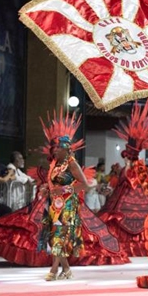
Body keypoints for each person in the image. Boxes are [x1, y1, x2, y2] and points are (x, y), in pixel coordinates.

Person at [38, 111, 96, 281]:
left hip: (68, 205)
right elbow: (54, 184)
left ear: (66, 149)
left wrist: (64, 191)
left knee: (60, 235)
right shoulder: (55, 164)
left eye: (57, 148)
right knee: (52, 235)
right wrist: (46, 189)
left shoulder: (72, 164)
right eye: (54, 148)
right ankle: (67, 270)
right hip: (54, 205)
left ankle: (54, 270)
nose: (54, 151)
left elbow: (85, 184)